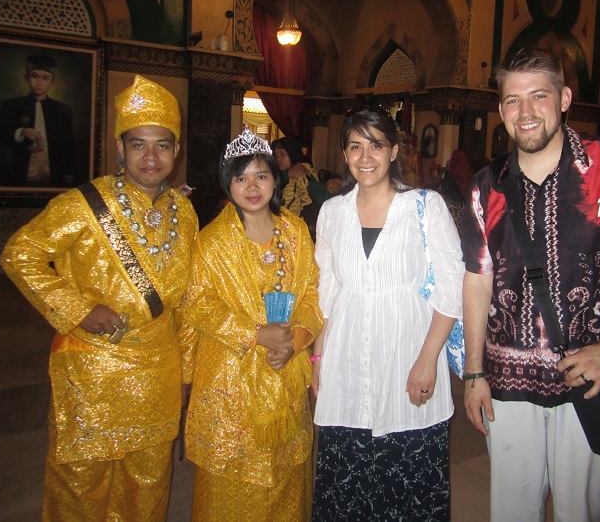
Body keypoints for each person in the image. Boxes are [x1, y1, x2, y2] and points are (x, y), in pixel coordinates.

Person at [460, 48, 600, 522]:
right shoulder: (485, 185)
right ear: (500, 110)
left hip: (588, 376)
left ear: (564, 98)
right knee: (512, 511)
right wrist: (474, 371)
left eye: (539, 95)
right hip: (507, 382)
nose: (526, 112)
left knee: (580, 510)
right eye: (512, 100)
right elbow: (478, 278)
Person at [0, 74, 199, 521]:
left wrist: (187, 371)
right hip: (92, 371)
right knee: (82, 482)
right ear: (119, 149)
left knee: (148, 483)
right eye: (139, 144)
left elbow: (186, 298)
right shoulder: (82, 205)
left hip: (159, 372)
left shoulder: (184, 213)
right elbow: (20, 254)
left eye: (162, 145)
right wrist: (78, 309)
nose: (151, 157)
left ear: (177, 151)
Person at [311, 106, 464, 521]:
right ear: (343, 154)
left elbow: (452, 287)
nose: (365, 157)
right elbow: (329, 291)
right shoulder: (332, 213)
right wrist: (317, 360)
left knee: (407, 493)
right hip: (345, 369)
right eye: (355, 146)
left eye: (376, 145)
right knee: (347, 493)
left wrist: (428, 360)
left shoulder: (425, 206)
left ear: (394, 150)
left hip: (407, 365)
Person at [178, 127, 322, 521]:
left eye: (261, 175)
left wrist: (295, 338)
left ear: (275, 178)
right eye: (240, 177)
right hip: (230, 382)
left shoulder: (295, 232)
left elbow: (312, 292)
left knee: (286, 481)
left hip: (285, 371)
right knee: (232, 485)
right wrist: (253, 334)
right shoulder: (211, 242)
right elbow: (196, 303)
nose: (252, 186)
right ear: (228, 183)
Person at [0, 54, 77, 187]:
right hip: (21, 169)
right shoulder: (12, 105)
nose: (39, 83)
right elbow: (1, 138)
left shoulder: (62, 109)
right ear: (26, 77)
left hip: (53, 170)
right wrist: (21, 132)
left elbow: (68, 145)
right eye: (34, 76)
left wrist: (69, 175)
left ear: (52, 81)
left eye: (45, 78)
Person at [271, 136, 330, 239]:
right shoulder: (272, 176)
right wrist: (287, 174)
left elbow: (324, 199)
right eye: (276, 155)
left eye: (283, 154)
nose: (278, 158)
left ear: (292, 154)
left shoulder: (305, 176)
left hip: (303, 232)